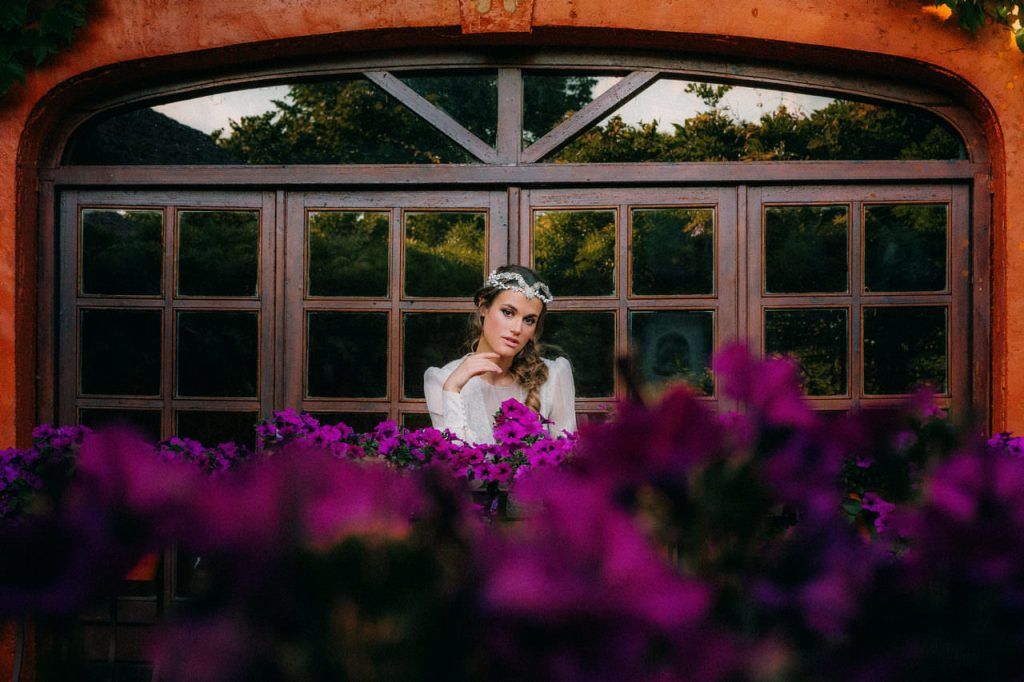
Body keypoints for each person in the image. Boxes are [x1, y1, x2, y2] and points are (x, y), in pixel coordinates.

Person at [423, 265, 577, 444]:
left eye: (529, 320)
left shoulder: (553, 376)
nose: (517, 329)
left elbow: (569, 460)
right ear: (483, 307)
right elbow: (453, 463)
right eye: (508, 312)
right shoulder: (442, 380)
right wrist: (452, 389)